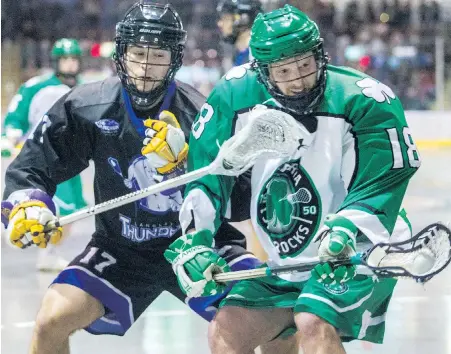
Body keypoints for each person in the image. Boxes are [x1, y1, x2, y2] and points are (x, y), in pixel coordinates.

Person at [1, 2, 260, 353]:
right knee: (51, 321)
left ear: (175, 59)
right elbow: (32, 167)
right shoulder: (87, 106)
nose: (145, 67)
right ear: (121, 54)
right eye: (138, 53)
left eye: (158, 56)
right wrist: (26, 203)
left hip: (199, 246)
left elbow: (242, 201)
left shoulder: (202, 113)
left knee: (273, 320)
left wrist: (185, 165)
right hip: (120, 251)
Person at [164, 4, 421, 354]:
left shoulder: (365, 98)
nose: (299, 79)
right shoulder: (235, 94)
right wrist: (196, 239)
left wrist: (346, 230)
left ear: (320, 54)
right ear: (263, 71)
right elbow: (208, 174)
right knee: (226, 331)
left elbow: (382, 180)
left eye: (305, 65)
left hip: (361, 247)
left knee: (313, 320)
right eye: (284, 71)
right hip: (287, 258)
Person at [1, 38, 88, 271]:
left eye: (73, 59)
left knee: (71, 212)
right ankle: (46, 251)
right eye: (64, 60)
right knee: (45, 207)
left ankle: (50, 251)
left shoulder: (85, 89)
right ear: (55, 61)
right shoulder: (36, 87)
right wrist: (10, 136)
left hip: (71, 161)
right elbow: (16, 115)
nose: (69, 64)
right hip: (41, 158)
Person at [217, 0, 263, 67]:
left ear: (244, 20)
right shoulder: (237, 54)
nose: (219, 24)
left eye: (226, 18)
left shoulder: (260, 55)